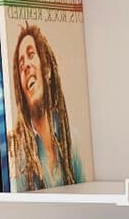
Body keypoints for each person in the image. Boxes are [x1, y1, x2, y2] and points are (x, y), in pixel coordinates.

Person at [7, 22, 84, 188]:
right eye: (21, 64)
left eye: (31, 54)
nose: (26, 66)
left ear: (47, 70)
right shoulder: (18, 156)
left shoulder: (72, 140)